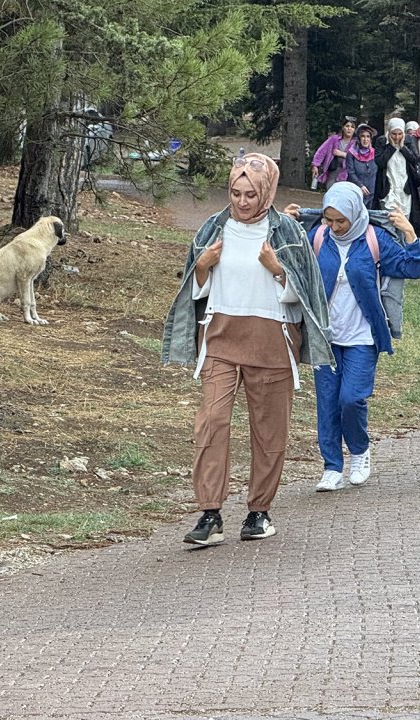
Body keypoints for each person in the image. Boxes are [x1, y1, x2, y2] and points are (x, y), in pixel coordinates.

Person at [161, 153, 333, 546]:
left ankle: (259, 511)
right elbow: (196, 289)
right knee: (212, 421)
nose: (241, 201)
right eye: (236, 193)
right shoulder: (212, 228)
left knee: (269, 431)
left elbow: (306, 294)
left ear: (266, 193)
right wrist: (202, 267)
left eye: (251, 194)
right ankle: (209, 513)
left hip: (272, 341)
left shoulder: (287, 232)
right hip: (221, 337)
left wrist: (276, 268)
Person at [285, 184, 420, 492]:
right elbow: (289, 261)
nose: (334, 227)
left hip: (363, 336)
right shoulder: (320, 238)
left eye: (340, 222)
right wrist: (284, 224)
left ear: (355, 215)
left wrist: (411, 233)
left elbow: (411, 268)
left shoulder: (375, 240)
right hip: (326, 337)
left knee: (351, 398)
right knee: (327, 402)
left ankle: (359, 452)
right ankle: (332, 466)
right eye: (329, 220)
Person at [374, 117, 420, 238]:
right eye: (394, 134)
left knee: (405, 221)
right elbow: (380, 162)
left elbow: (415, 160)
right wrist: (392, 147)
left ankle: (403, 247)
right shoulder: (382, 142)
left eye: (400, 134)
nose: (397, 137)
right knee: (390, 219)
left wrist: (403, 147)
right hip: (389, 189)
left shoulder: (409, 141)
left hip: (405, 190)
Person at [312, 116, 358, 189]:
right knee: (331, 194)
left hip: (348, 176)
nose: (349, 128)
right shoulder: (334, 139)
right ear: (343, 127)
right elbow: (321, 151)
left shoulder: (356, 143)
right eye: (347, 126)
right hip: (333, 173)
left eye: (352, 127)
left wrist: (343, 154)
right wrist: (315, 165)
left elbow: (359, 158)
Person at [346, 122, 378, 199]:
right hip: (356, 191)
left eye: (368, 137)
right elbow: (351, 172)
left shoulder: (375, 153)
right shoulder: (351, 153)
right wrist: (360, 185)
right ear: (359, 138)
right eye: (363, 136)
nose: (365, 139)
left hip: (371, 192)